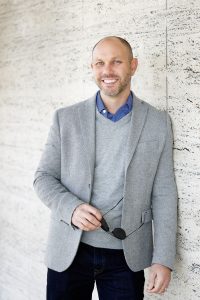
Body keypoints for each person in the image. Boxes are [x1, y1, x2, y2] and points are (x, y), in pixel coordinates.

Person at [33, 36, 178, 300]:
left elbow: (165, 194)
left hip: (127, 257)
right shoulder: (65, 119)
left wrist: (163, 259)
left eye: (116, 62)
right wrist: (72, 208)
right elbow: (43, 178)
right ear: (92, 68)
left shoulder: (158, 122)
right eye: (99, 63)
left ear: (133, 66)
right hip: (69, 251)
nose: (107, 70)